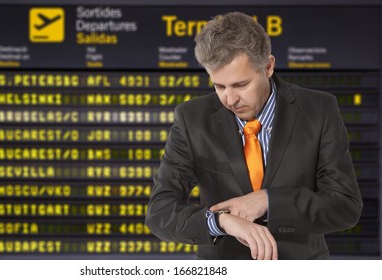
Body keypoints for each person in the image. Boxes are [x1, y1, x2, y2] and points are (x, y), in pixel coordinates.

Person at [145, 11, 363, 260]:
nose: (230, 99)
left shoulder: (320, 110)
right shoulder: (191, 118)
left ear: (268, 66)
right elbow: (160, 213)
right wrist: (220, 221)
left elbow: (345, 206)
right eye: (219, 86)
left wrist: (268, 201)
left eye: (241, 85)